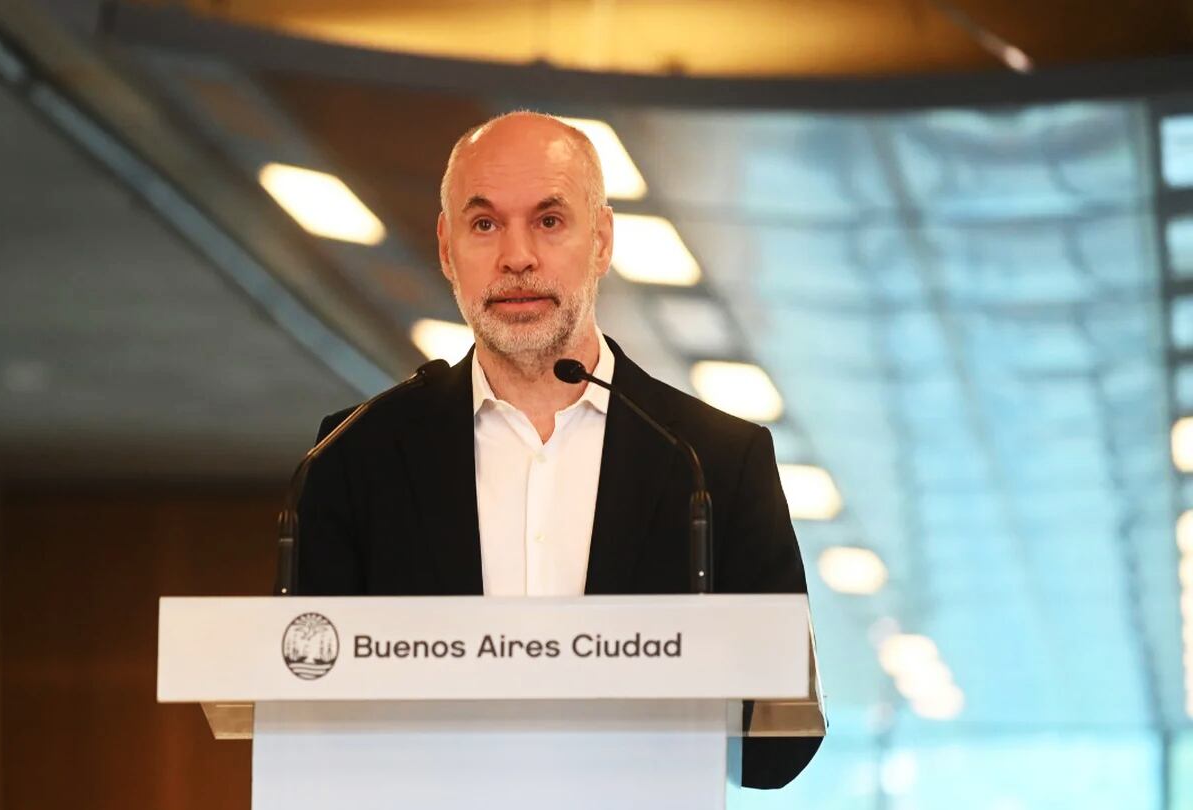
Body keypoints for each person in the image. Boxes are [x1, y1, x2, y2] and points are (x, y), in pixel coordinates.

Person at [297, 111, 821, 788]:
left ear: (601, 240)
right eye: (484, 224)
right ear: (447, 247)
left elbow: (783, 740)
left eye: (549, 221)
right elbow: (308, 723)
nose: (517, 257)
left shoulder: (714, 462)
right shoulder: (351, 457)